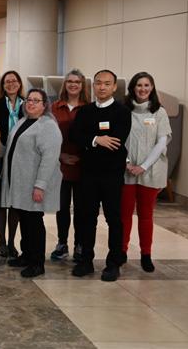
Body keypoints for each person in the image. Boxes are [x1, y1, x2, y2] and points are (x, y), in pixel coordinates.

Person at [71, 69, 131, 282]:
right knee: (87, 217)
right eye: (98, 83)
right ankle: (86, 260)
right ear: (93, 86)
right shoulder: (85, 111)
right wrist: (97, 140)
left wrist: (91, 141)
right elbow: (76, 136)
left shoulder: (122, 112)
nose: (102, 87)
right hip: (88, 174)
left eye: (107, 83)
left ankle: (113, 263)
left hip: (112, 174)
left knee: (114, 218)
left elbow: (117, 141)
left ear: (114, 87)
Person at [1, 89, 62, 278]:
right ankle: (26, 255)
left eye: (36, 100)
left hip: (33, 183)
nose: (31, 103)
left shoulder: (48, 126)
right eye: (29, 100)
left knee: (34, 222)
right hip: (20, 182)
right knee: (25, 219)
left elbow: (50, 159)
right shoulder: (23, 121)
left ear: (44, 105)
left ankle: (37, 263)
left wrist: (40, 185)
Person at [122, 72, 171, 273]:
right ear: (133, 88)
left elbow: (162, 142)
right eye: (139, 85)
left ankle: (146, 255)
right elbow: (118, 138)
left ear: (152, 88)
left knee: (145, 215)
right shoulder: (123, 111)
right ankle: (121, 252)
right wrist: (126, 162)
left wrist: (143, 166)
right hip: (126, 171)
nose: (143, 89)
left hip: (150, 171)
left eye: (146, 85)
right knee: (124, 215)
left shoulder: (159, 112)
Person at [50, 69, 89, 262]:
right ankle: (62, 243)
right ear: (65, 85)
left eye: (77, 82)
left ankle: (80, 244)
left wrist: (83, 156)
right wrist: (60, 156)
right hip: (61, 166)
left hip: (83, 166)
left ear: (83, 86)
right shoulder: (54, 108)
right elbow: (47, 136)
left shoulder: (90, 108)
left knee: (81, 209)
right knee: (62, 208)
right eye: (70, 81)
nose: (73, 85)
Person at [0, 70, 24, 259]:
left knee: (15, 202)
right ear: (2, 86)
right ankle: (2, 241)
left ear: (19, 83)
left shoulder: (26, 104)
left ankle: (12, 241)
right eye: (7, 82)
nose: (11, 84)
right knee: (0, 201)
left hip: (20, 158)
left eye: (14, 81)